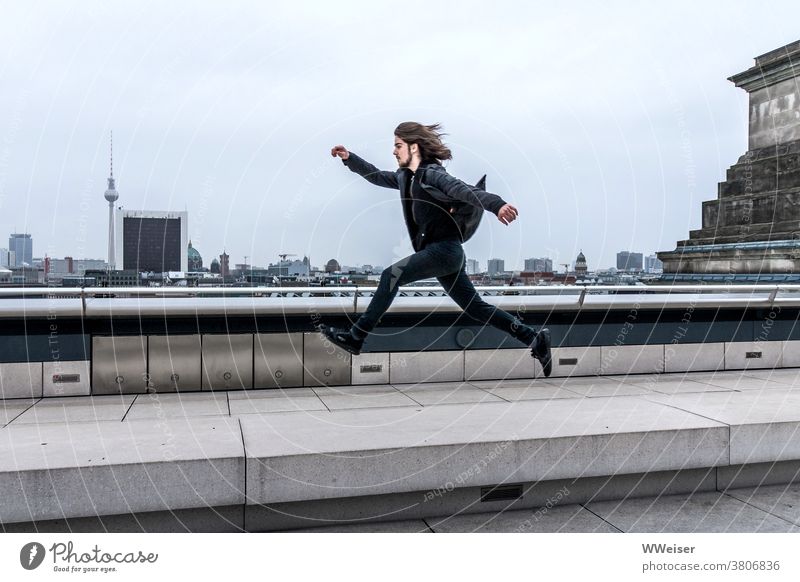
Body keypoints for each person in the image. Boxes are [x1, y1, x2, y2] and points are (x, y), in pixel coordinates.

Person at [321, 122, 552, 376]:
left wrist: (497, 205)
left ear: (414, 147)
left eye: (398, 146)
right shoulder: (404, 177)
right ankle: (534, 339)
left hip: (445, 251)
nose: (394, 151)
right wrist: (349, 158)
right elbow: (376, 176)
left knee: (391, 275)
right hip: (442, 253)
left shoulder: (432, 174)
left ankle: (356, 337)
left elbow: (464, 191)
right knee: (475, 307)